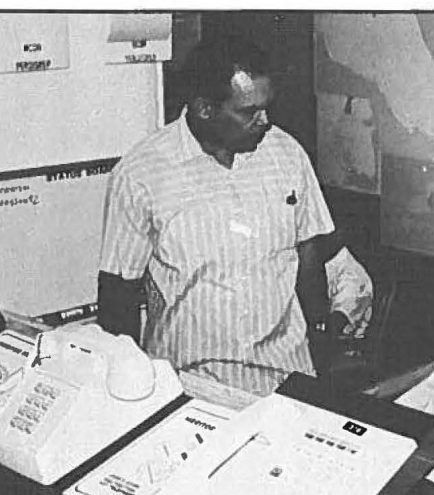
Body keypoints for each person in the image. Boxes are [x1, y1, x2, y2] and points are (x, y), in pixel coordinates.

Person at [97, 34, 334, 395]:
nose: (265, 120)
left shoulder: (287, 154)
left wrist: (320, 336)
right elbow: (117, 294)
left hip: (286, 377)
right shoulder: (141, 174)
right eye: (248, 111)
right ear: (204, 108)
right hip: (189, 384)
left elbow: (309, 255)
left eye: (266, 107)